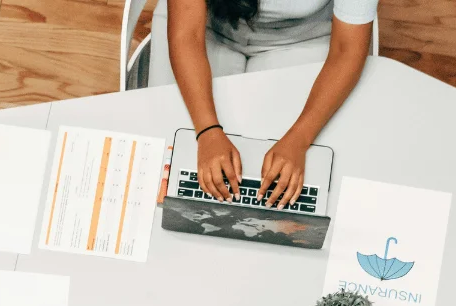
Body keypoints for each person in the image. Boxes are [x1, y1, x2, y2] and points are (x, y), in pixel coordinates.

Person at [151, 0, 376, 207]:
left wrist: (299, 139)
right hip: (207, 24)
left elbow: (347, 48)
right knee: (166, 173)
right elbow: (187, 35)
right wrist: (207, 130)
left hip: (300, 36)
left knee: (299, 179)